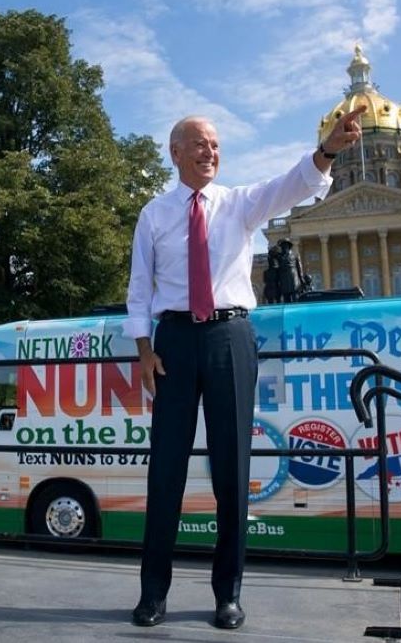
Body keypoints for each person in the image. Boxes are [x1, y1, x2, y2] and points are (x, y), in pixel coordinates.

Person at [125, 107, 365, 630]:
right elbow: (139, 290)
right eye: (200, 144)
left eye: (215, 144)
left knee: (232, 472)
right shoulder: (154, 214)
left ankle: (228, 595)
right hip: (173, 342)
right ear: (176, 152)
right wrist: (144, 350)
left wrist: (327, 150)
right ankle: (152, 594)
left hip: (230, 337)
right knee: (165, 470)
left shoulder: (238, 204)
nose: (211, 151)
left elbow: (291, 185)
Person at [275, 238, 307, 302]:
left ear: (288, 246)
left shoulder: (295, 255)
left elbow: (299, 268)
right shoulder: (279, 256)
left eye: (285, 246)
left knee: (295, 296)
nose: (283, 247)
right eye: (282, 246)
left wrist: (301, 278)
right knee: (286, 297)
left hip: (293, 277)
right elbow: (272, 253)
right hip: (284, 279)